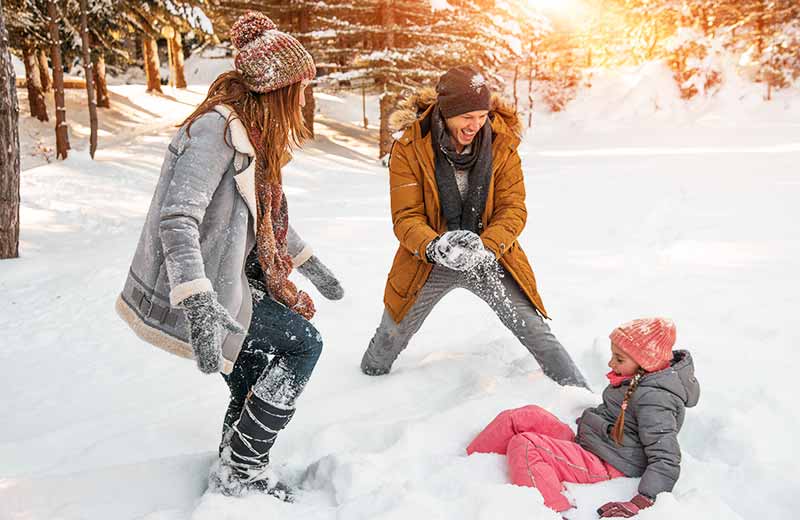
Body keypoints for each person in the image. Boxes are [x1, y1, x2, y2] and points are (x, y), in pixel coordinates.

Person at [115, 12, 343, 498]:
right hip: (211, 285)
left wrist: (309, 263)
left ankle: (233, 468)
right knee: (304, 344)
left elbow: (261, 213)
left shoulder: (253, 132)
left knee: (253, 367)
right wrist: (197, 301)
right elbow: (177, 219)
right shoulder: (216, 132)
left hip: (240, 276)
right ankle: (244, 466)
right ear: (279, 89)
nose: (304, 98)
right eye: (300, 88)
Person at [360, 65, 587, 388]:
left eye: (482, 115)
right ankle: (362, 388)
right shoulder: (412, 147)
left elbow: (513, 209)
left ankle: (580, 396)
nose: (476, 124)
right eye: (467, 116)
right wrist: (435, 246)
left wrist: (486, 247)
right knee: (389, 338)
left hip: (487, 257)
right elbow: (406, 217)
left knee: (535, 330)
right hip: (430, 261)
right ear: (446, 111)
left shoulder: (502, 144)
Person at [466, 318, 700, 517]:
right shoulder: (637, 380)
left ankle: (555, 511)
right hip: (597, 443)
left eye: (619, 359)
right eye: (613, 356)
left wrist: (643, 500)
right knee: (522, 416)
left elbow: (666, 457)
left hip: (610, 463)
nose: (611, 363)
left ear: (645, 365)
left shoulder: (656, 400)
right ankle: (466, 467)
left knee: (526, 445)